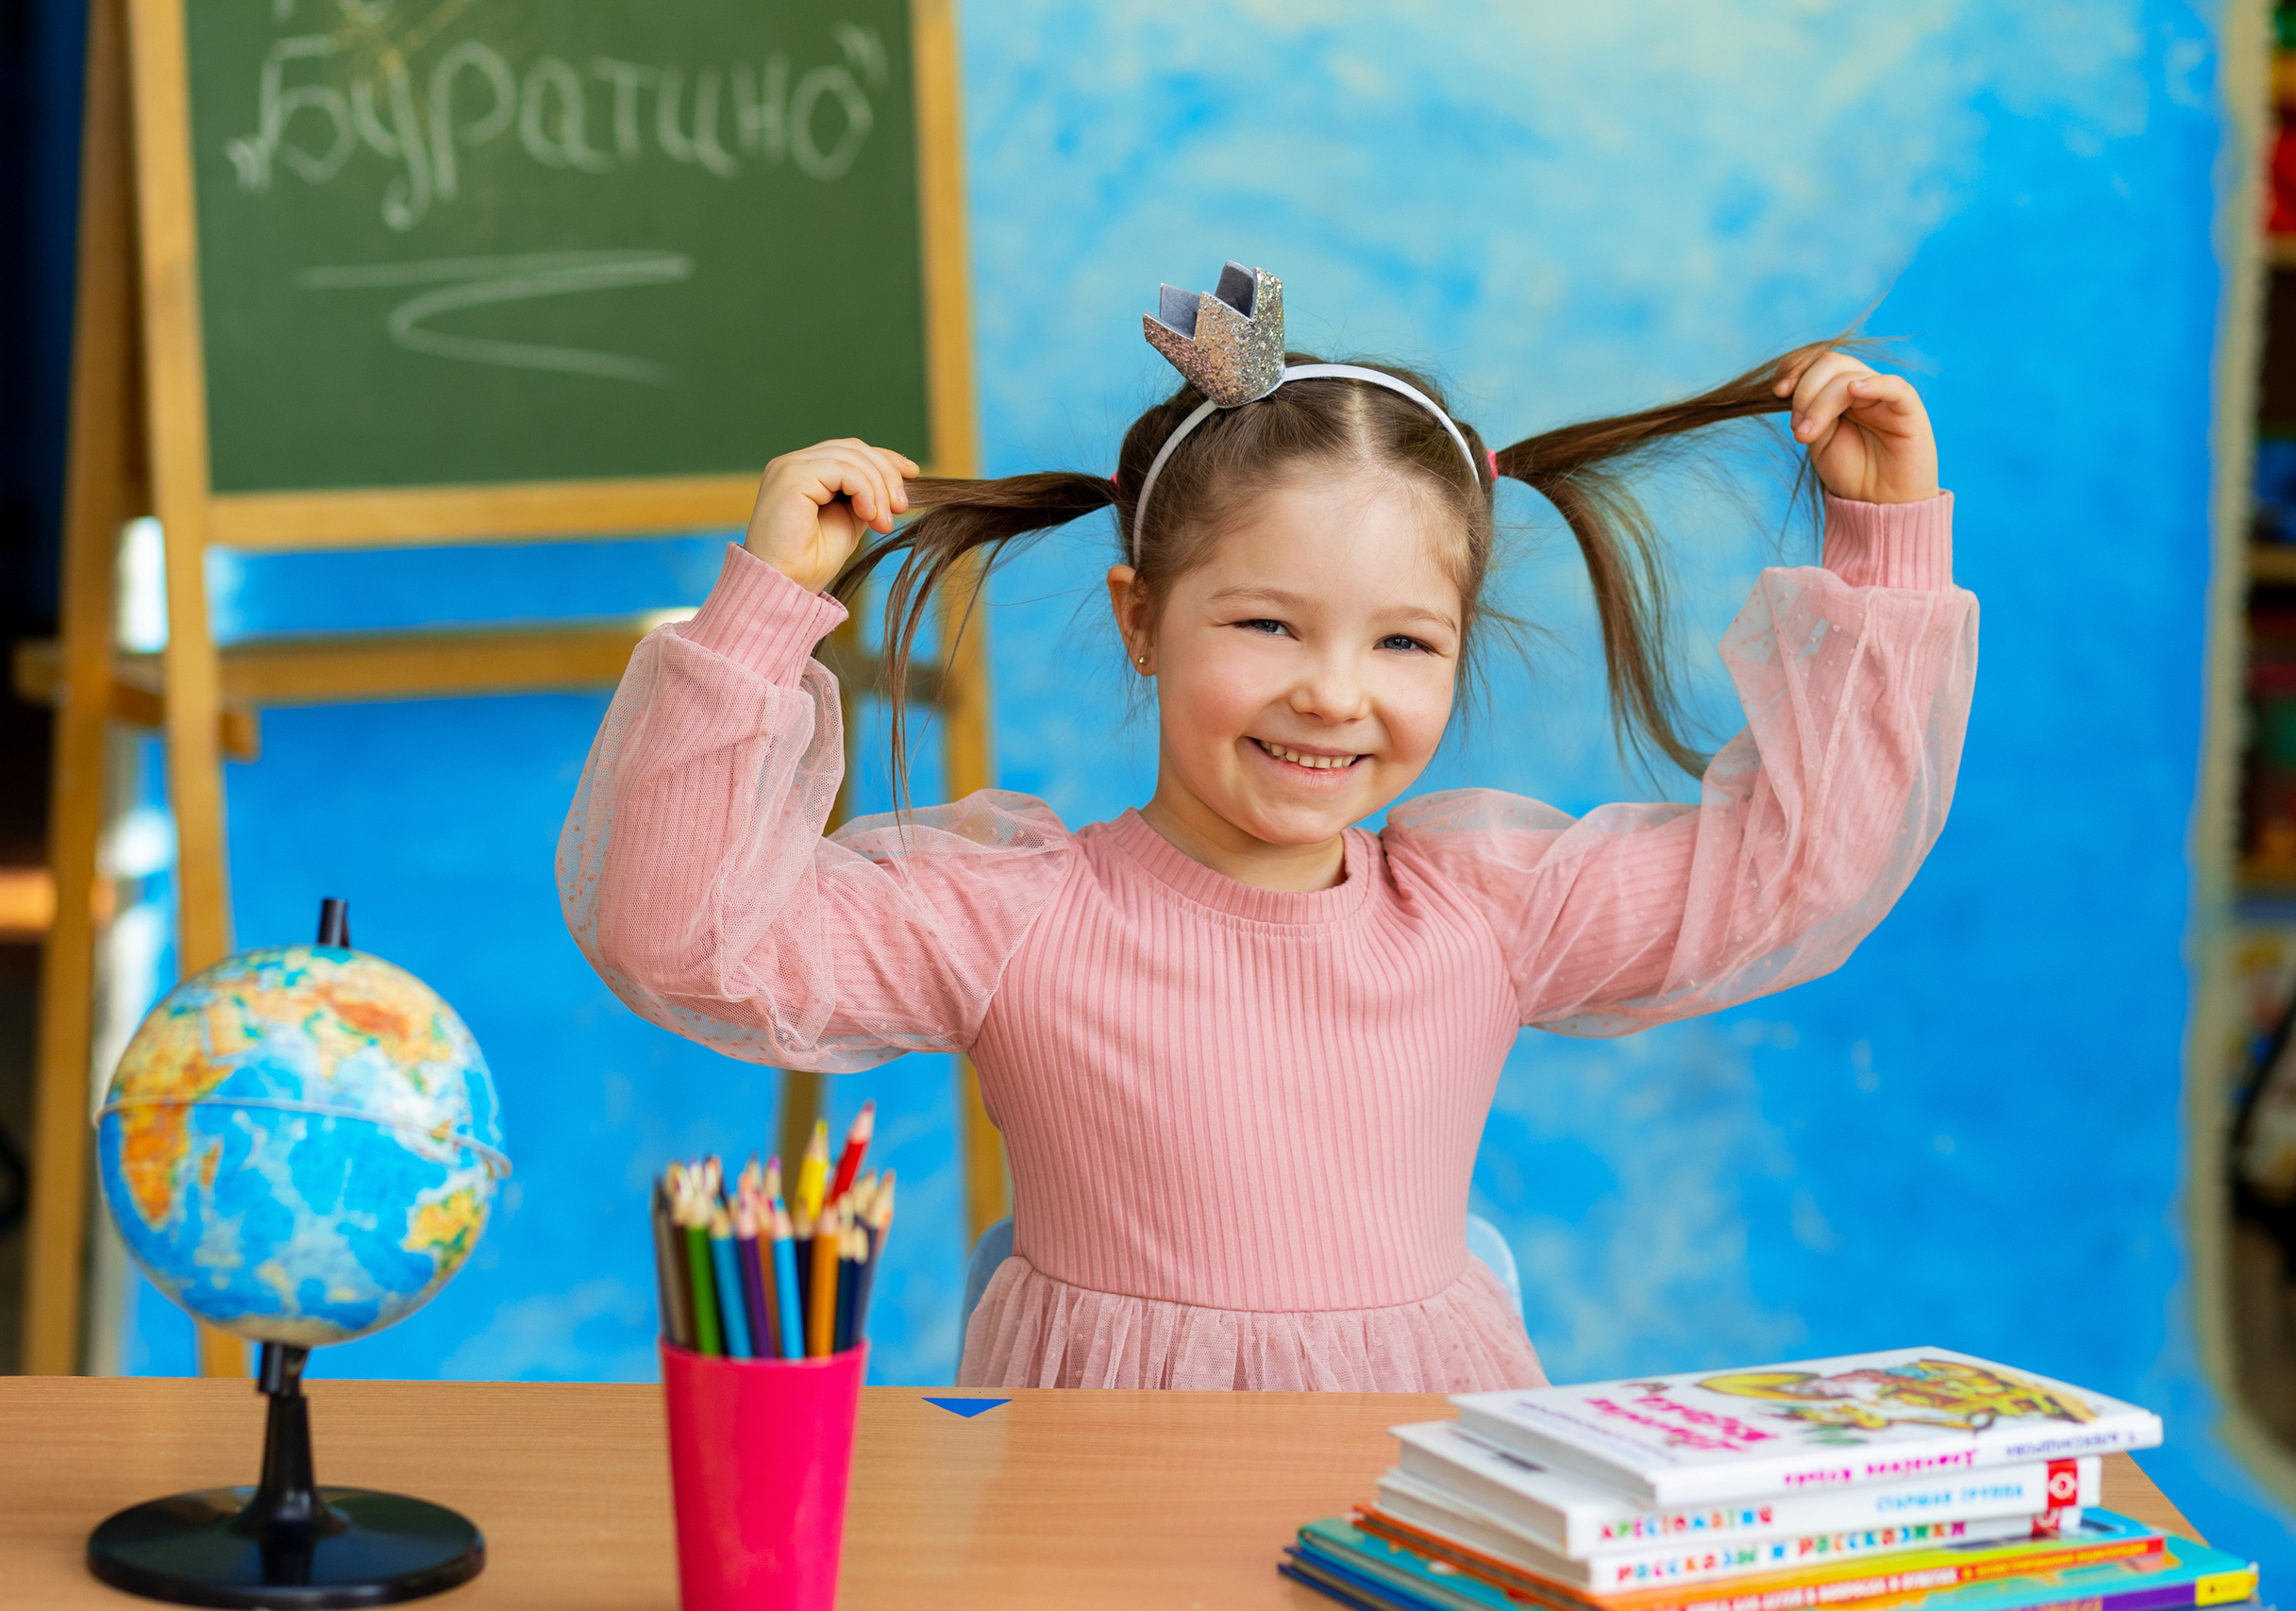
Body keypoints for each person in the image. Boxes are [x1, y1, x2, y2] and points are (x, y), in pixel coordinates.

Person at [557, 262, 1975, 1391]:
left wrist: (1883, 539)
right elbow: (677, 933)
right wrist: (762, 610)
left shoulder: (1483, 909)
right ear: (1140, 623)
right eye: (1267, 623)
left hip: (1416, 1491)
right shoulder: (1014, 915)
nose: (1334, 694)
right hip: (1092, 1509)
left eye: (1406, 645)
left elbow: (1796, 871)